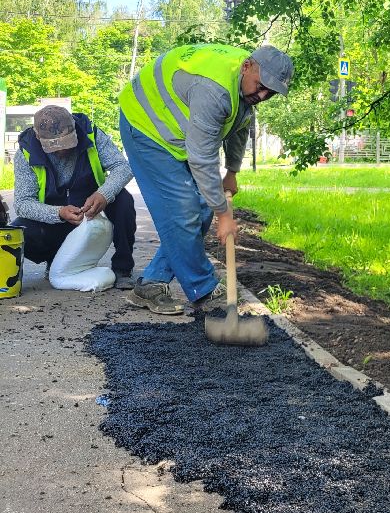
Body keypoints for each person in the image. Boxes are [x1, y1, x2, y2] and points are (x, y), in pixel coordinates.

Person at [118, 43, 293, 315]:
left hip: (176, 133)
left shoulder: (243, 88)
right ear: (247, 66)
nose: (262, 95)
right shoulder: (214, 89)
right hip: (145, 126)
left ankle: (151, 284)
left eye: (270, 92)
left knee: (200, 208)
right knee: (182, 210)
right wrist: (224, 215)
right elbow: (201, 158)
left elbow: (238, 125)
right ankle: (204, 290)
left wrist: (232, 172)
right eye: (260, 86)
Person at [13, 106, 137, 288]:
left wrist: (104, 194)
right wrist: (59, 213)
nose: (61, 152)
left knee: (124, 200)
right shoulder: (25, 153)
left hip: (91, 211)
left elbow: (122, 167)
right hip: (55, 217)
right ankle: (55, 259)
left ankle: (122, 268)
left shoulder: (92, 135)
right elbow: (23, 203)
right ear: (38, 137)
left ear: (74, 128)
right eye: (54, 147)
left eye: (66, 144)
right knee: (19, 230)